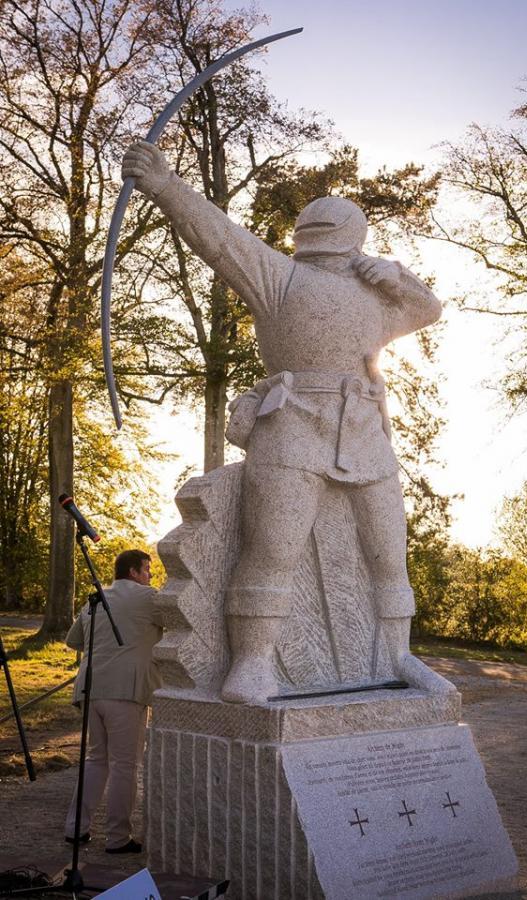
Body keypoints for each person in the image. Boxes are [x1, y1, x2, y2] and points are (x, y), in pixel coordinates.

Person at [123, 141, 446, 704]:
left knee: (388, 551)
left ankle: (398, 655)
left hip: (364, 429)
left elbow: (428, 309)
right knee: (273, 546)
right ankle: (251, 661)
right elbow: (218, 237)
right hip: (292, 422)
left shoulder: (376, 291)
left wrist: (393, 276)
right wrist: (164, 184)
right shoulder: (279, 277)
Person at [64, 549, 162, 853]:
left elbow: (73, 641)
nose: (150, 576)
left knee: (96, 760)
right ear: (133, 571)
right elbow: (182, 623)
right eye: (147, 569)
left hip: (91, 690)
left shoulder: (95, 599)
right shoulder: (148, 598)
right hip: (126, 692)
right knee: (125, 765)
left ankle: (75, 829)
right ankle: (118, 838)